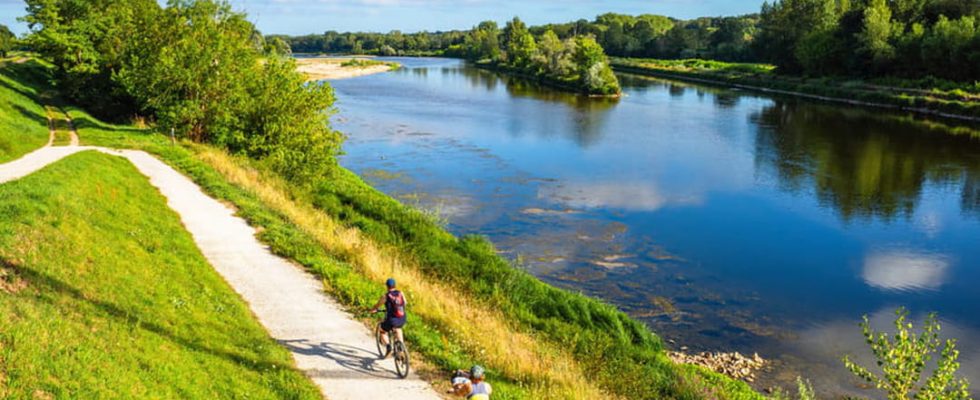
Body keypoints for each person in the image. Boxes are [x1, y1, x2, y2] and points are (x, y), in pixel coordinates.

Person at [369, 278, 407, 356]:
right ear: (395, 285)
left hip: (392, 320)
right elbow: (405, 303)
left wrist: (373, 309)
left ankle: (388, 347)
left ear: (387, 286)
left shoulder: (386, 296)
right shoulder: (401, 293)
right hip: (402, 318)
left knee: (382, 330)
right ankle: (401, 348)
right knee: (398, 328)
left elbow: (377, 305)